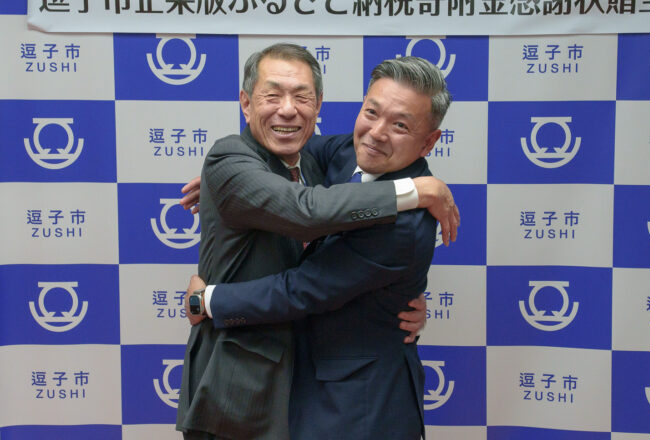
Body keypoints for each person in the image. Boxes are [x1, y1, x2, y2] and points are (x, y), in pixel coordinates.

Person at [176, 44, 459, 440]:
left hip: (360, 407)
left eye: (400, 125)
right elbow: (294, 166)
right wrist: (226, 179)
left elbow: (301, 287)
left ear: (428, 143)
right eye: (371, 112)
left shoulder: (404, 226)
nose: (377, 133)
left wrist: (206, 301)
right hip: (243, 383)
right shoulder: (347, 152)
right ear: (246, 102)